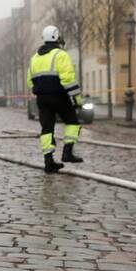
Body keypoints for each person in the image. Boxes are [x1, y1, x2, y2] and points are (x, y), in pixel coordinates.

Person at [27, 25, 83, 173]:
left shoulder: (34, 58)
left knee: (46, 128)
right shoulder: (60, 55)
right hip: (59, 96)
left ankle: (48, 162)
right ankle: (67, 153)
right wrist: (77, 100)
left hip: (41, 99)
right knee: (72, 122)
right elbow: (68, 80)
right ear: (56, 37)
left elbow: (29, 81)